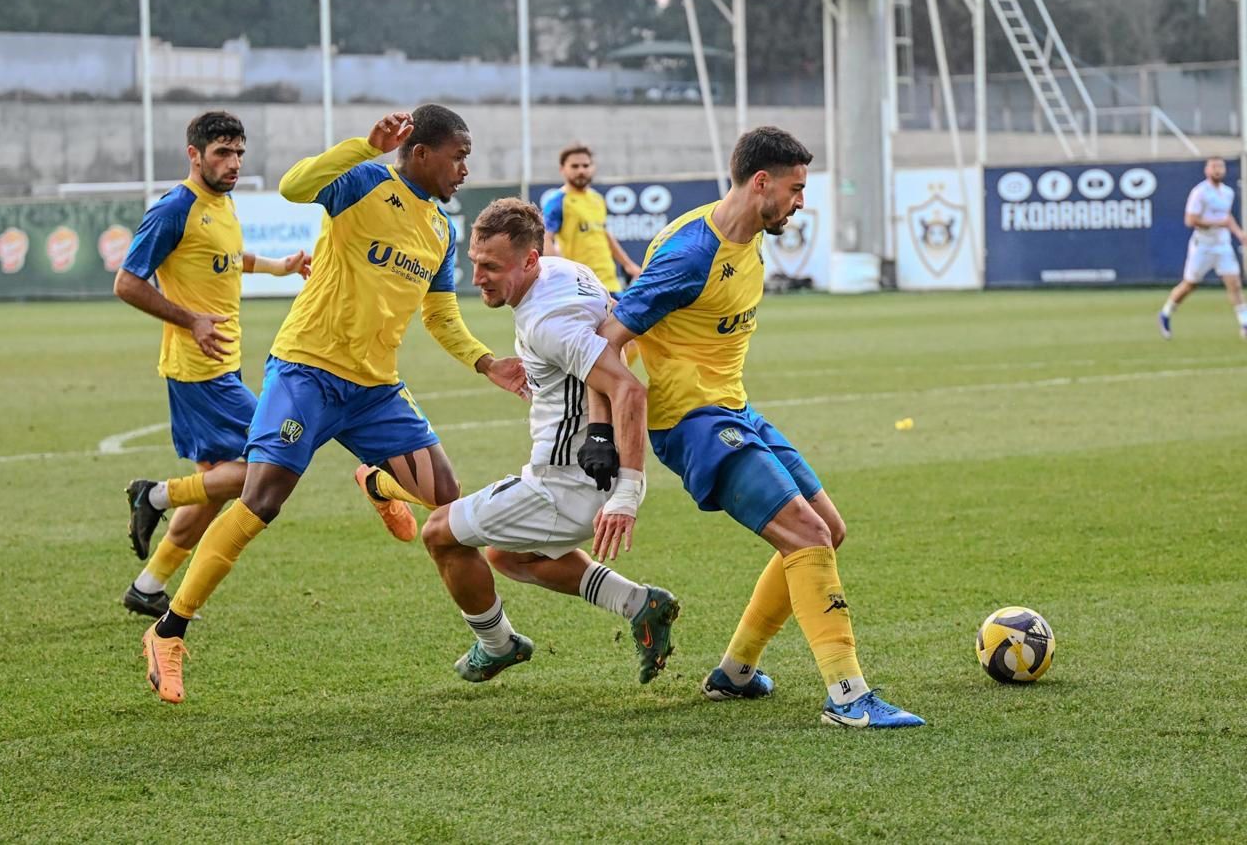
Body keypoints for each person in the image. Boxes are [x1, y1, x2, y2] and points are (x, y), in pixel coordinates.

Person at [138, 105, 528, 704]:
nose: (465, 169)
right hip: (307, 371)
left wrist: (485, 361)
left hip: (375, 390)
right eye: (459, 156)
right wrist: (365, 145)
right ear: (422, 152)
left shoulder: (440, 229)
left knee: (447, 501)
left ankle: (378, 484)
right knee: (261, 500)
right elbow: (295, 186)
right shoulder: (366, 181)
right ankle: (168, 631)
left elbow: (440, 314)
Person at [595, 126, 924, 729]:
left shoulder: (746, 235)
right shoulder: (691, 253)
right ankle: (848, 696)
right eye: (796, 190)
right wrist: (604, 435)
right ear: (761, 183)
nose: (801, 202)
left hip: (735, 409)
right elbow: (605, 342)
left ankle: (736, 672)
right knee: (806, 534)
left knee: (828, 530)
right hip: (691, 421)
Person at [399, 197, 679, 684]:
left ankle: (497, 645)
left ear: (530, 259)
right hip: (576, 470)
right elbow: (615, 333)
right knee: (506, 554)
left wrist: (628, 493)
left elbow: (629, 390)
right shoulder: (567, 272)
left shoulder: (548, 323)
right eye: (475, 263)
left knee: (439, 533)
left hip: (566, 484)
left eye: (492, 267)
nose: (478, 277)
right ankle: (639, 604)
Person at [113, 110, 311, 619]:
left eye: (239, 152)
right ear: (194, 155)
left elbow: (228, 258)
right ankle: (156, 495)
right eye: (223, 152)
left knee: (216, 487)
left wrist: (279, 267)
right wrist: (191, 321)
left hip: (223, 365)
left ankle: (148, 586)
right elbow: (127, 282)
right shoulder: (174, 209)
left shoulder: (222, 203)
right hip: (198, 371)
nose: (234, 162)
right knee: (273, 459)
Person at [1159, 156, 1247, 339]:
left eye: (1220, 166)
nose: (1218, 170)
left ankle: (1244, 324)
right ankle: (1166, 313)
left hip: (1222, 245)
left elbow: (1226, 216)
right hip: (1203, 246)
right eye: (1214, 167)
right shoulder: (1199, 192)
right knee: (1190, 284)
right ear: (1207, 170)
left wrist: (1239, 233)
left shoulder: (1227, 192)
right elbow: (1190, 220)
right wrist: (1217, 223)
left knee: (1234, 283)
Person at [542, 143, 642, 297]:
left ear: (592, 167)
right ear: (562, 169)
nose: (581, 170)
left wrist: (628, 265)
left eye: (585, 165)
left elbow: (604, 234)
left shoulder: (597, 199)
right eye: (575, 166)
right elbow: (546, 238)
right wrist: (559, 274)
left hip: (609, 281)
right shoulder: (558, 201)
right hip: (581, 286)